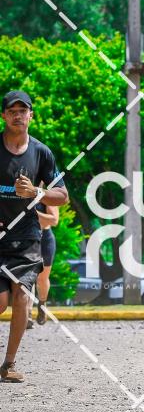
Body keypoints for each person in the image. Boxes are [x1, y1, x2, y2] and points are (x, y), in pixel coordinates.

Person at [0, 90, 68, 383]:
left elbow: (62, 195)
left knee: (21, 295)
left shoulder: (42, 152)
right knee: (0, 301)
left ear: (31, 115)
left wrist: (36, 192)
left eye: (22, 111)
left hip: (27, 237)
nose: (17, 115)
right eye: (12, 111)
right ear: (3, 115)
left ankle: (9, 364)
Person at [26, 198, 58, 328]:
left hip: (44, 239)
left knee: (41, 278)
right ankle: (27, 314)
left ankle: (42, 304)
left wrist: (31, 213)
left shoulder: (46, 196)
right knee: (26, 277)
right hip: (25, 238)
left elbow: (53, 220)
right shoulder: (16, 195)